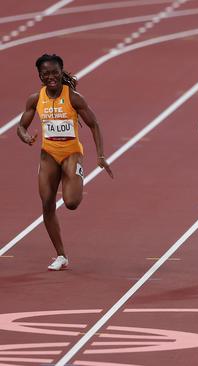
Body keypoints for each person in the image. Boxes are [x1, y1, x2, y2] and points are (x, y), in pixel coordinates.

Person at [17, 54, 113, 271]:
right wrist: (25, 136)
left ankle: (76, 176)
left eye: (54, 72)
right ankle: (61, 255)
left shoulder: (74, 97)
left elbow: (94, 124)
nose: (51, 77)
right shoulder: (35, 99)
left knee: (71, 203)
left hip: (71, 154)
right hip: (48, 155)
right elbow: (21, 126)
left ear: (61, 72)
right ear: (39, 75)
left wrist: (100, 155)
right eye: (46, 73)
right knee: (47, 204)